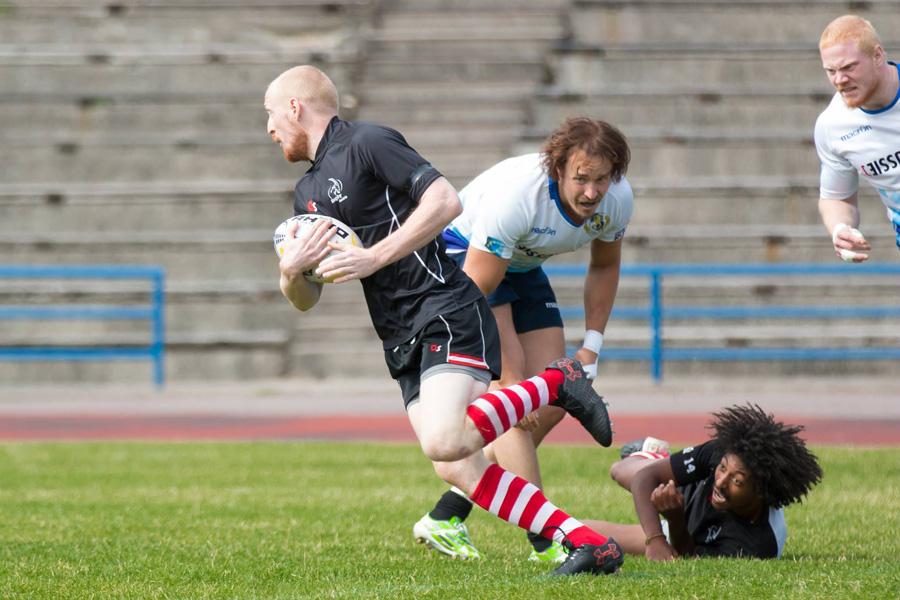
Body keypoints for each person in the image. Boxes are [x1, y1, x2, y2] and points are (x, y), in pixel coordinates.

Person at [265, 65, 622, 576]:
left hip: (443, 306)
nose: (270, 128)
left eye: (271, 114)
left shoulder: (367, 142)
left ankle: (555, 383)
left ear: (295, 106)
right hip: (400, 335)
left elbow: (445, 200)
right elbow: (305, 301)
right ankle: (586, 542)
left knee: (445, 438)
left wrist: (375, 257)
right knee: (454, 464)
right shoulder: (307, 196)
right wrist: (288, 273)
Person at [411, 117, 633, 563]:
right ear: (558, 171)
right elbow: (476, 292)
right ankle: (547, 541)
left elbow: (605, 267)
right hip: (465, 259)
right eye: (581, 179)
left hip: (523, 266)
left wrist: (592, 347)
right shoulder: (518, 198)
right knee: (513, 401)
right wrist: (505, 380)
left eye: (601, 180)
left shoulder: (618, 201)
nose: (592, 192)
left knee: (553, 397)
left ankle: (447, 514)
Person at [582, 404, 822, 560]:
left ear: (761, 492)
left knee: (579, 533)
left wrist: (675, 520)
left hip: (685, 524)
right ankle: (654, 458)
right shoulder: (723, 452)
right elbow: (644, 479)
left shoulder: (756, 546)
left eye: (737, 480)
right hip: (688, 491)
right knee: (620, 469)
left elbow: (689, 557)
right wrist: (654, 539)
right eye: (722, 469)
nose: (721, 482)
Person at [814, 14, 900, 262]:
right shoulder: (833, 126)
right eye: (831, 71)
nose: (839, 80)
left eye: (849, 67)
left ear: (878, 56)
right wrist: (841, 229)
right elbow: (836, 197)